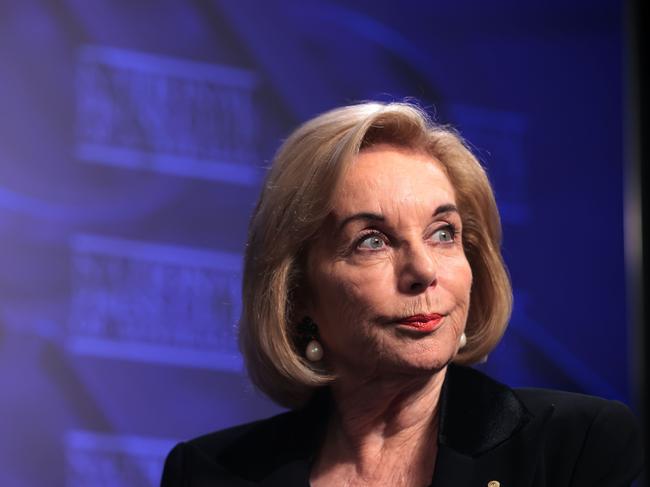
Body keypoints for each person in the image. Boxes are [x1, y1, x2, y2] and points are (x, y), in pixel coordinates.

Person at [160, 102, 643, 486]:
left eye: (442, 233)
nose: (422, 270)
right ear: (298, 291)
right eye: (372, 241)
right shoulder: (207, 473)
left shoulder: (575, 446)